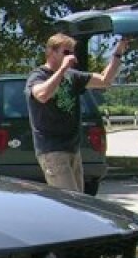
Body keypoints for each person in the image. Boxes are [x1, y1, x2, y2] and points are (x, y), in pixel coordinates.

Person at [26, 33, 128, 192]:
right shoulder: (38, 75)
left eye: (72, 53)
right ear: (51, 52)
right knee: (69, 201)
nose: (71, 57)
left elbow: (104, 80)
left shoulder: (72, 76)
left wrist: (118, 52)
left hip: (73, 148)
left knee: (78, 201)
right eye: (66, 52)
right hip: (52, 150)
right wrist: (62, 70)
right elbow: (42, 95)